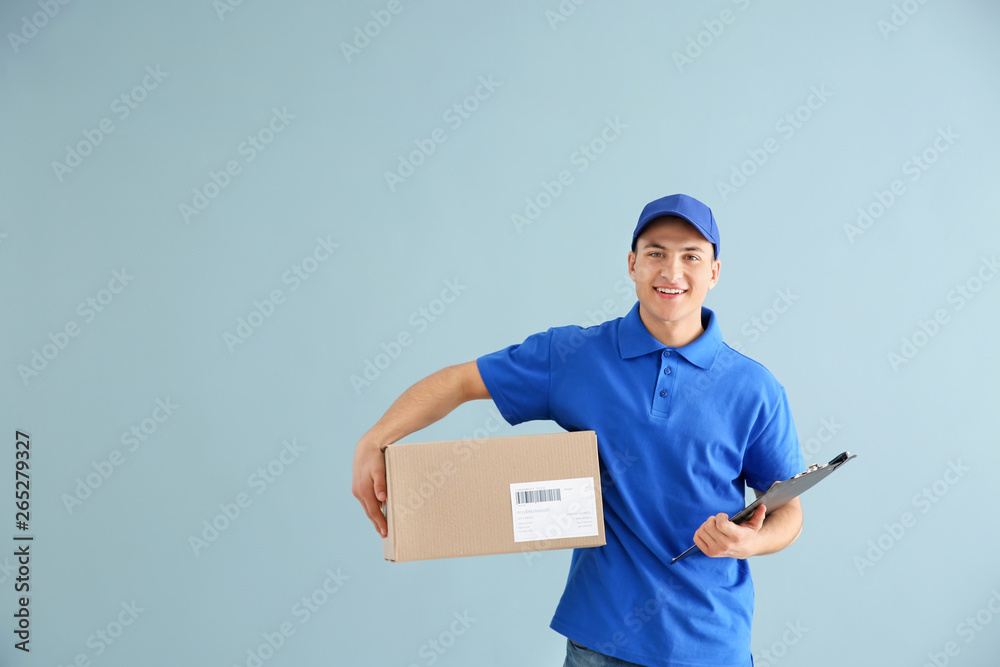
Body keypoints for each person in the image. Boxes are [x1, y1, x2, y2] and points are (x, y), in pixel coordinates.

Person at [352, 193, 805, 667]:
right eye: (655, 253)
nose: (672, 272)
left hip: (712, 644)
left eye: (691, 256)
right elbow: (461, 381)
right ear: (632, 264)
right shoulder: (574, 357)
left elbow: (789, 511)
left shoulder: (754, 388)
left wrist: (749, 541)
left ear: (714, 272)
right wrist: (374, 439)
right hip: (602, 643)